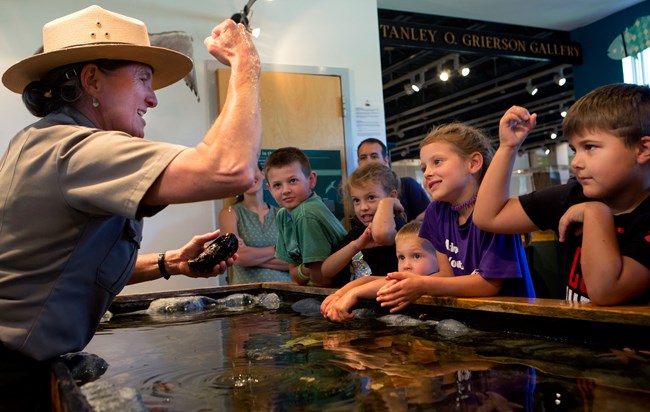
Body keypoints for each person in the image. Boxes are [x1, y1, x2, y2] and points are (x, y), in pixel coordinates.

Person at [0, 5, 261, 361]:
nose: (152, 98)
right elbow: (231, 170)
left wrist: (170, 263)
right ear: (92, 81)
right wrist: (246, 63)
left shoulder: (39, 140)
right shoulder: (74, 149)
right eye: (143, 79)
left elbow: (65, 269)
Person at [474, 83, 650, 305]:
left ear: (643, 149)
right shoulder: (572, 195)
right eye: (575, 150)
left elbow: (606, 292)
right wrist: (508, 148)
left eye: (590, 147)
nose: (576, 163)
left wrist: (595, 212)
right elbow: (488, 217)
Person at [376, 123, 536, 313]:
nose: (426, 173)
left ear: (473, 163)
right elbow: (447, 274)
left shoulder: (497, 214)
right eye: (424, 167)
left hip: (513, 318)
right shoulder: (436, 211)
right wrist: (354, 290)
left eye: (437, 162)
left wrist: (423, 285)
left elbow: (489, 285)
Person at [321, 220, 438, 322]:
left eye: (416, 256)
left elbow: (393, 284)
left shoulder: (440, 279)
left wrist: (354, 293)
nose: (406, 265)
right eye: (401, 257)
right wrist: (339, 294)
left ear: (440, 258)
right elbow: (370, 279)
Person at [264, 147, 347, 287]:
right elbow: (292, 272)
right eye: (277, 185)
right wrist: (305, 271)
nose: (286, 191)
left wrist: (301, 270)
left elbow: (321, 280)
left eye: (293, 181)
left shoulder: (306, 213)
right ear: (269, 189)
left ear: (311, 180)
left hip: (341, 286)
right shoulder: (283, 215)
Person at [321, 162, 407, 287]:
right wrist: (356, 245)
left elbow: (382, 235)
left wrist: (388, 204)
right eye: (356, 200)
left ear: (392, 196)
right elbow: (326, 271)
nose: (363, 207)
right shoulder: (357, 234)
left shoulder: (401, 230)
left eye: (371, 197)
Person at [218, 164, 292, 283]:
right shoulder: (229, 213)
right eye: (243, 174)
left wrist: (251, 258)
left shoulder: (282, 214)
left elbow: (294, 262)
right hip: (246, 294)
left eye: (253, 170)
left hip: (285, 291)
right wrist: (279, 249)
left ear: (263, 174)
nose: (250, 176)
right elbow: (238, 257)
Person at [357, 137, 430, 221]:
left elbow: (430, 215)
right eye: (363, 157)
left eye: (374, 156)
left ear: (386, 159)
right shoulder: (356, 194)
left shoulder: (407, 185)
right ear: (358, 162)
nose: (368, 161)